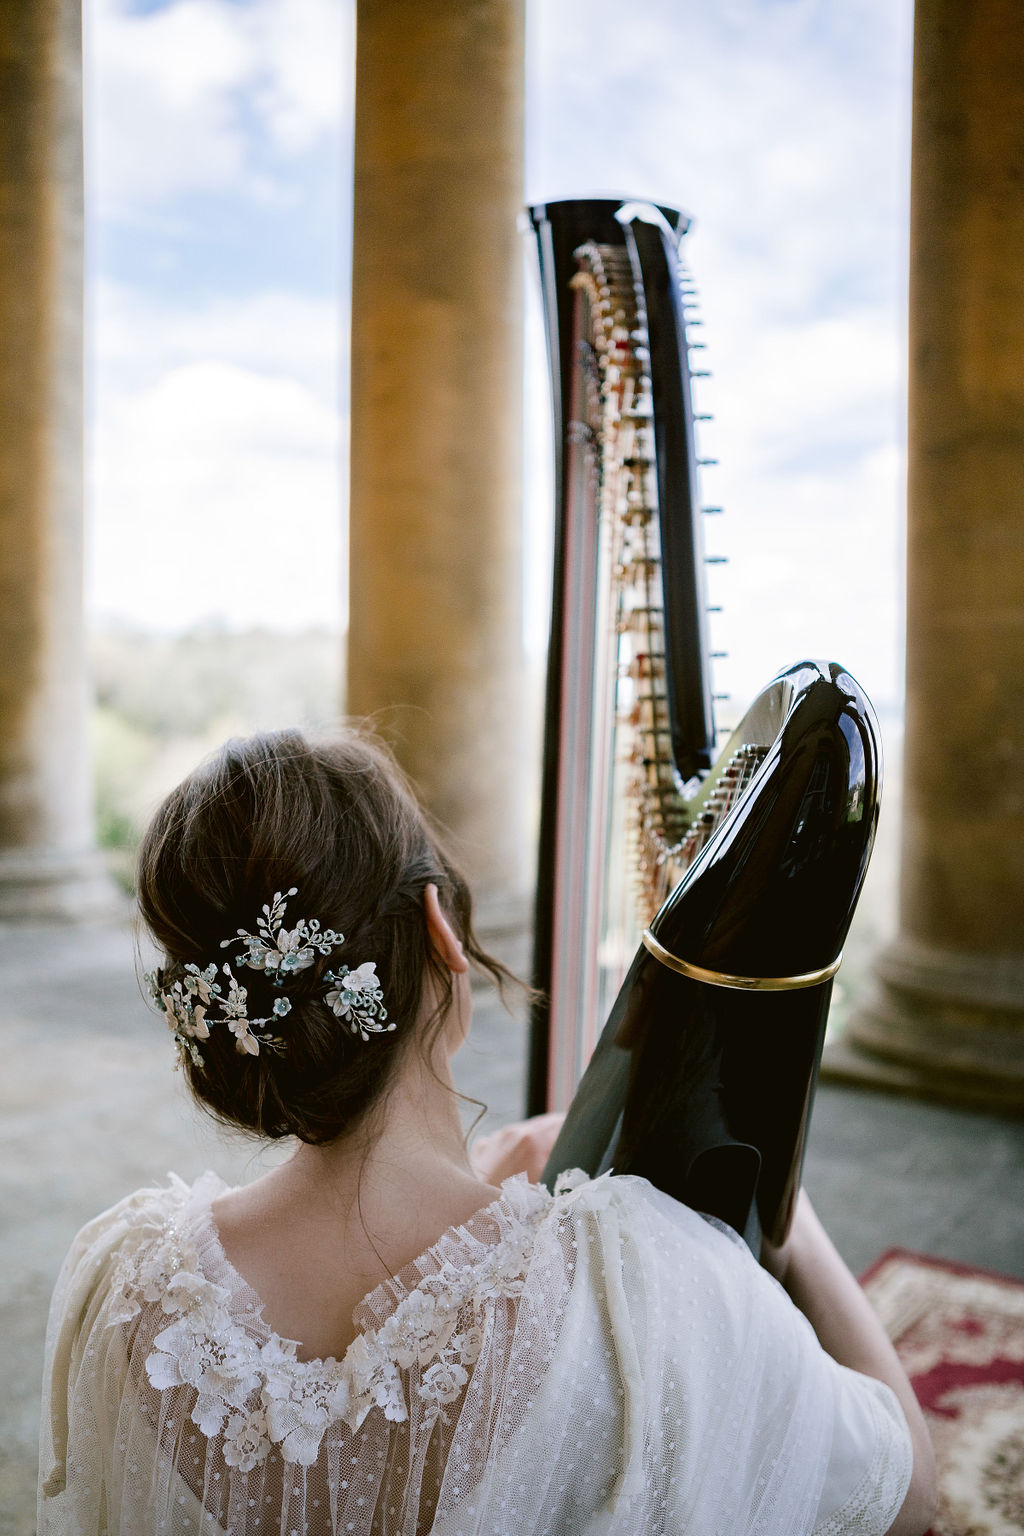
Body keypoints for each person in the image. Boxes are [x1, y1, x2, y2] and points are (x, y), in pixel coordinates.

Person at [37, 729, 935, 1536]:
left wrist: (477, 1185)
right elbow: (905, 1493)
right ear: (442, 932)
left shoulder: (120, 1288)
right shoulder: (637, 1290)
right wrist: (792, 1218)